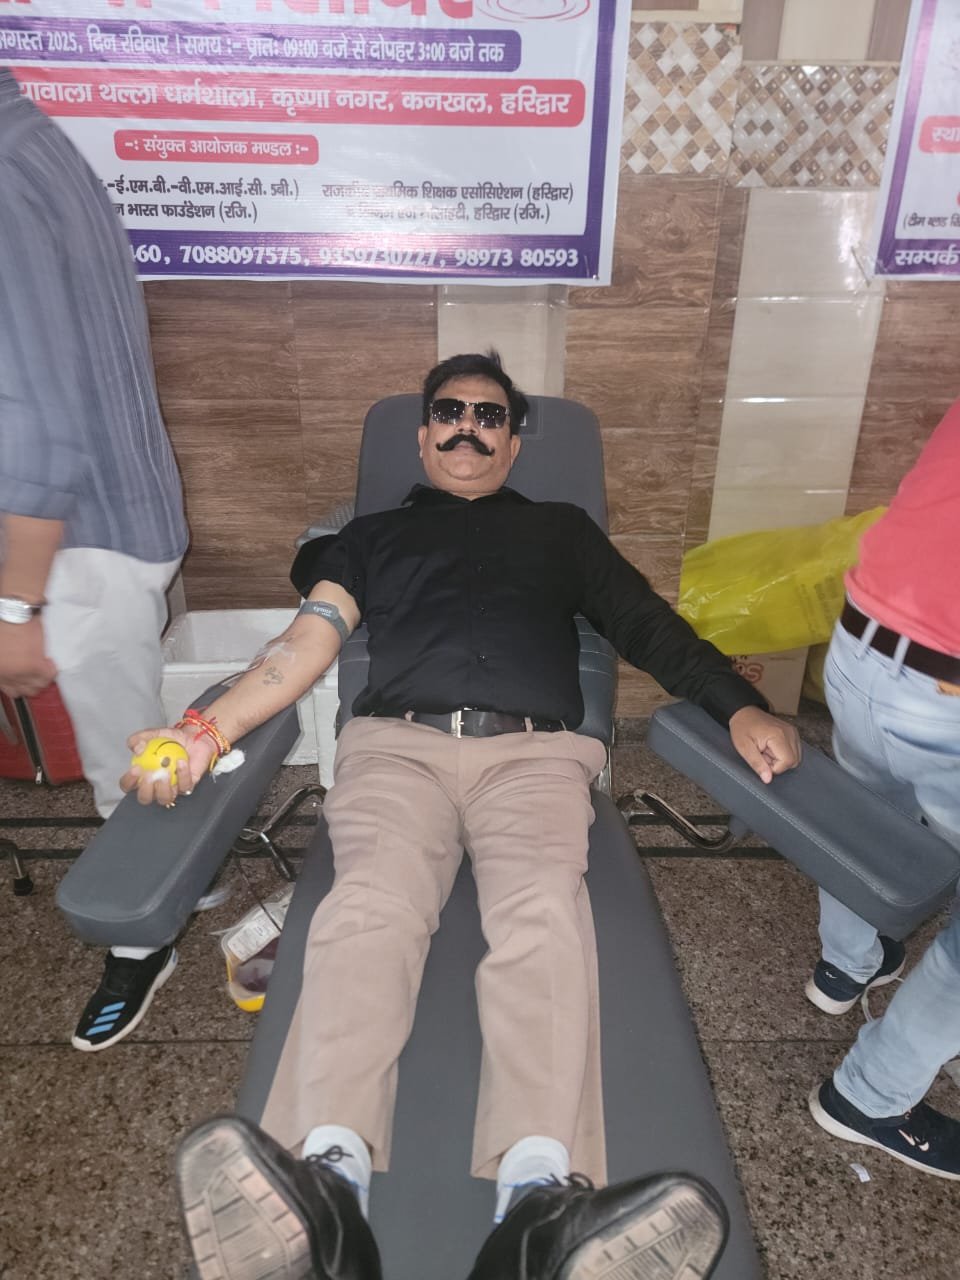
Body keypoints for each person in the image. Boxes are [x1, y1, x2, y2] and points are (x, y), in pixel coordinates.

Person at [127, 351, 800, 1279]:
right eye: (450, 412)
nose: (468, 429)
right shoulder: (369, 538)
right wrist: (205, 729)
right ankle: (326, 1193)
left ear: (514, 443)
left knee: (543, 918)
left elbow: (651, 628)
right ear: (423, 435)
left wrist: (740, 706)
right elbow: (302, 645)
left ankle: (538, 1207)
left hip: (535, 756)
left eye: (490, 417)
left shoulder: (562, 532)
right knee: (369, 907)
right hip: (397, 750)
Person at [0, 69, 189, 1047]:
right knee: (137, 739)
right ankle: (176, 881)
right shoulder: (30, 136)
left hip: (79, 542)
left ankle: (143, 935)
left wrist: (15, 609)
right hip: (100, 522)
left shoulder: (7, 163)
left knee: (126, 761)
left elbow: (42, 431)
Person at [806, 400, 960, 1178]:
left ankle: (847, 964)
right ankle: (870, 1097)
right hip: (948, 689)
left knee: (868, 823)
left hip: (862, 647)